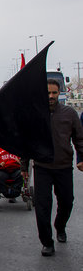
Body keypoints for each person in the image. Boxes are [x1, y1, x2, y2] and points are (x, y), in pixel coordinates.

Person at [22, 79, 83, 256]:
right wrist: (24, 165)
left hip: (64, 167)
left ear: (59, 94)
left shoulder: (69, 114)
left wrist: (81, 158)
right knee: (42, 205)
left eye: (54, 93)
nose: (50, 96)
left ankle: (60, 226)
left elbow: (79, 138)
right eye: (47, 93)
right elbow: (28, 142)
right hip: (42, 167)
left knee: (66, 201)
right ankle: (47, 242)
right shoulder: (35, 114)